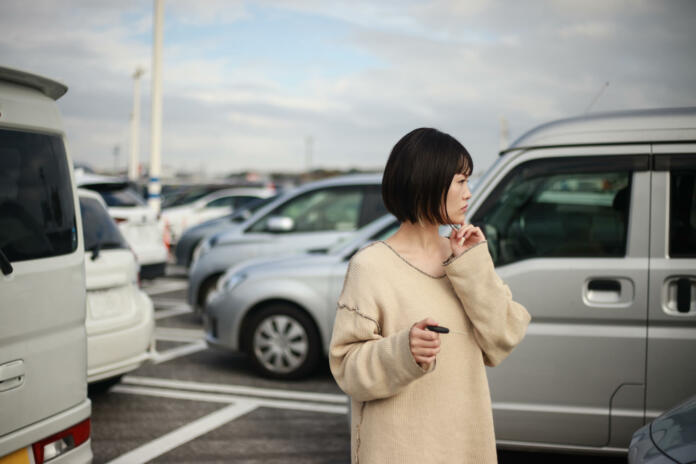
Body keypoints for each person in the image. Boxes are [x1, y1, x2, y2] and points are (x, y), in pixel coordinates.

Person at [329, 127, 532, 463]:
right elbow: (347, 368)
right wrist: (403, 351)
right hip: (399, 450)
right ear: (427, 182)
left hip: (465, 444)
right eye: (461, 181)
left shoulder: (464, 258)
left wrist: (475, 265)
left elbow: (504, 336)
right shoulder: (371, 266)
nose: (469, 193)